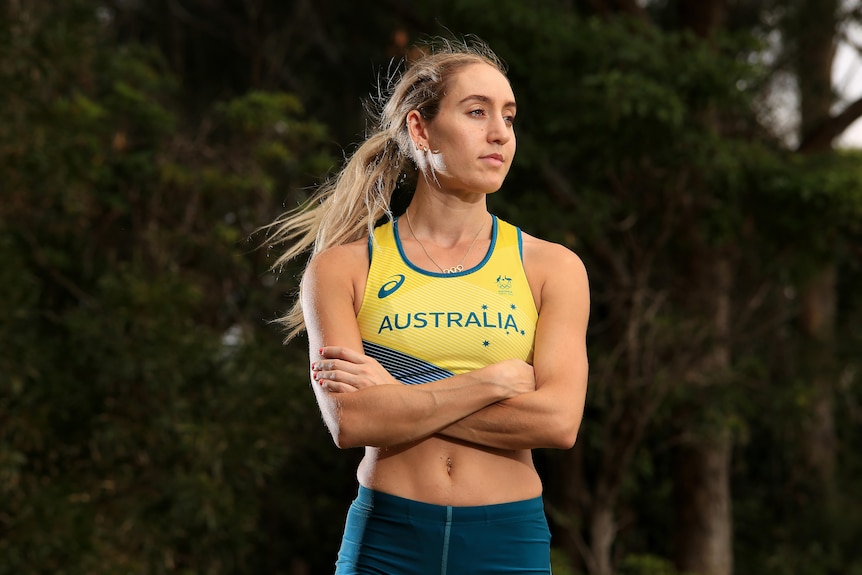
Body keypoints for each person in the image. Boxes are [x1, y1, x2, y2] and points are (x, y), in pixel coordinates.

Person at [266, 37, 589, 575]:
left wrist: (397, 397)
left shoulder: (552, 267)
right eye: (476, 112)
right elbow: (351, 421)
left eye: (508, 117)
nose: (499, 134)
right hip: (386, 542)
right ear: (420, 129)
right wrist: (489, 383)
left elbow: (557, 422)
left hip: (506, 543)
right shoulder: (342, 268)